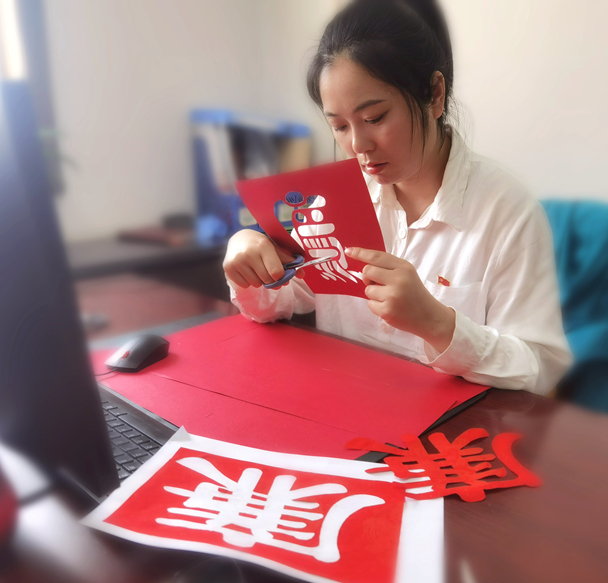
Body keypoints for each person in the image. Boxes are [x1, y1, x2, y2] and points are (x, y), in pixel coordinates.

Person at [223, 0, 572, 395]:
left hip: (452, 425)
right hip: (341, 406)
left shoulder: (507, 210)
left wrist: (438, 324)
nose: (358, 145)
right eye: (339, 126)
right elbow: (284, 301)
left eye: (374, 118)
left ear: (435, 95)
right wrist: (249, 262)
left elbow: (540, 369)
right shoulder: (335, 200)